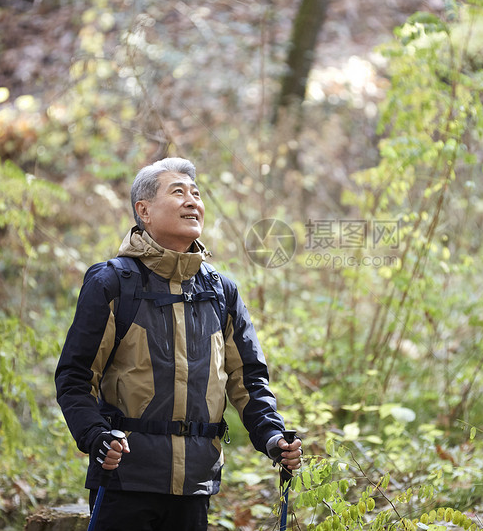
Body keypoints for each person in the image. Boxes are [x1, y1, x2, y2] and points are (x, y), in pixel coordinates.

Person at [55, 157, 302, 530]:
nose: (192, 201)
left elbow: (248, 378)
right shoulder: (112, 283)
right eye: (178, 192)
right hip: (125, 478)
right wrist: (96, 436)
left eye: (196, 194)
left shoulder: (220, 290)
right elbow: (75, 377)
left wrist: (271, 435)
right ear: (145, 211)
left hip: (195, 483)